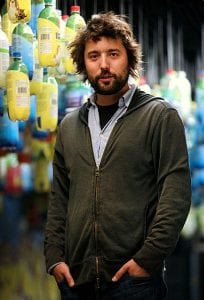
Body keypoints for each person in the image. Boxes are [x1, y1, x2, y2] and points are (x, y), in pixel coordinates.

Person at [44, 11, 191, 300]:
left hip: (134, 283)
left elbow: (176, 193)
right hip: (77, 282)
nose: (104, 65)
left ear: (130, 58)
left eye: (113, 53)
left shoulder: (159, 117)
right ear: (83, 64)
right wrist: (54, 258)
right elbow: (59, 198)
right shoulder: (70, 125)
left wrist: (147, 259)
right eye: (94, 56)